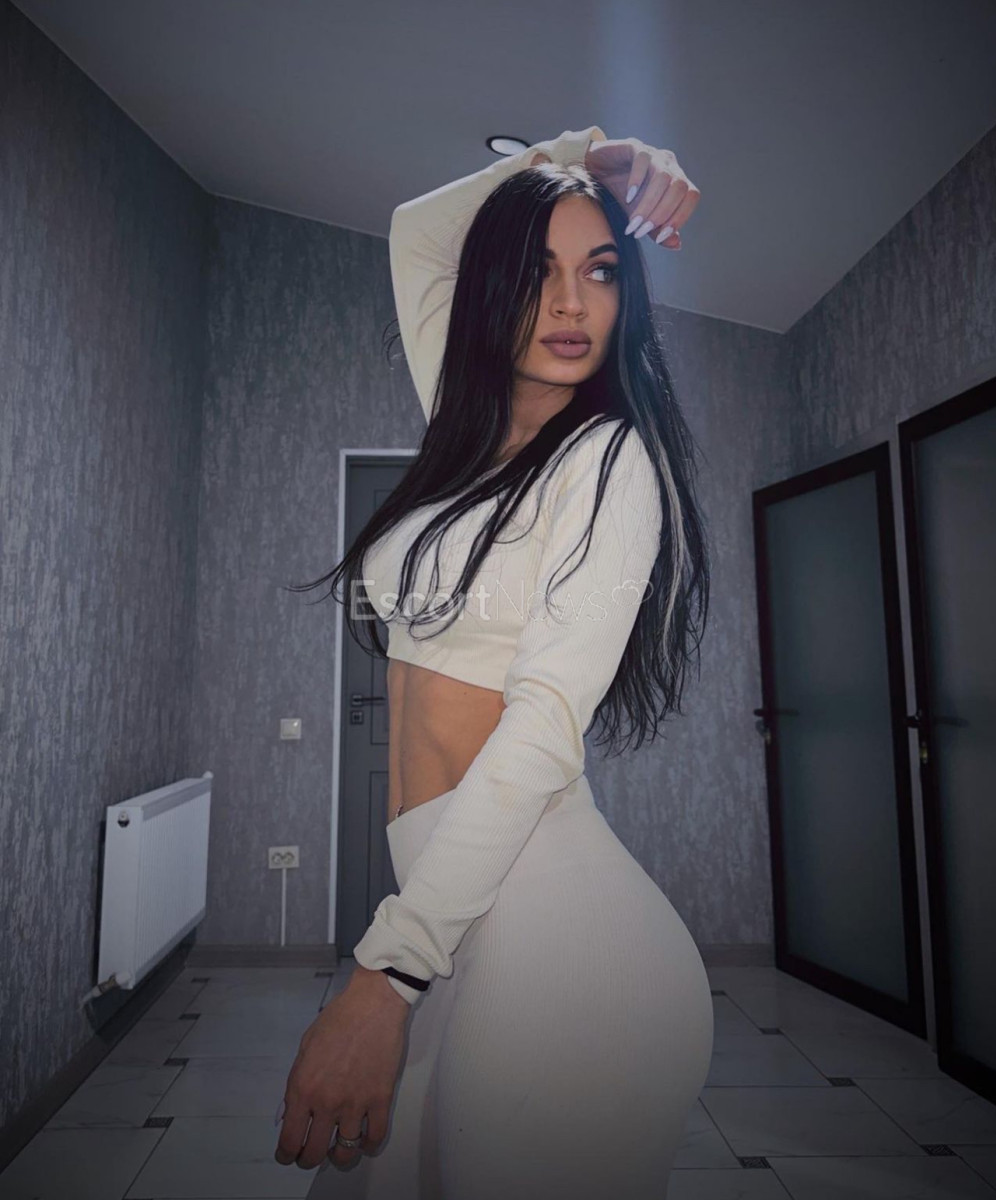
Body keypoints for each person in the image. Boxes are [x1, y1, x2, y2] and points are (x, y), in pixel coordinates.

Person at [281, 125, 713, 1198]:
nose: (569, 303)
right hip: (459, 913)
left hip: (560, 942)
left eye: (599, 271)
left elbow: (542, 727)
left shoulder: (608, 459)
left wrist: (387, 971)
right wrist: (584, 156)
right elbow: (416, 232)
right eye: (535, 272)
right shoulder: (464, 431)